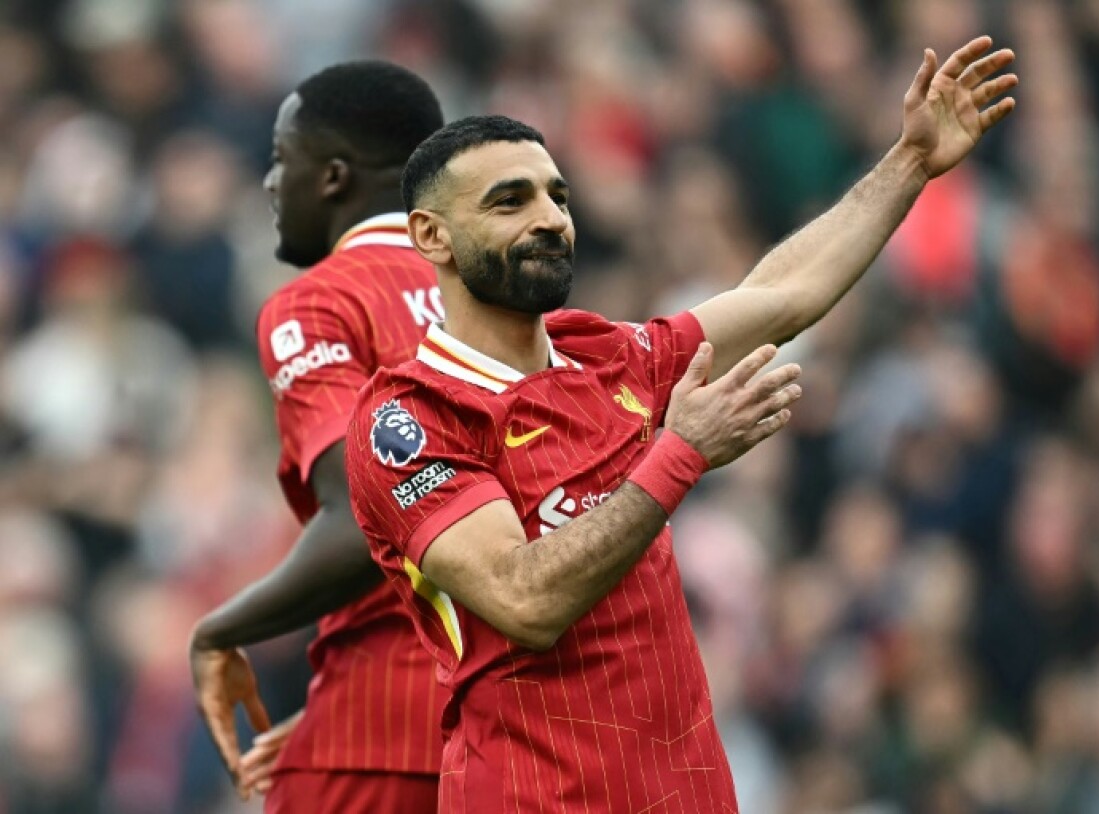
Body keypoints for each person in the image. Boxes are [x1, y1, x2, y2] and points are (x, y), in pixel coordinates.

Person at [346, 36, 1017, 813]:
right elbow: (523, 599)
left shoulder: (606, 357)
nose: (550, 219)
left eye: (557, 196)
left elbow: (783, 295)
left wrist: (909, 162)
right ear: (431, 236)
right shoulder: (411, 418)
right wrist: (680, 454)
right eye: (509, 201)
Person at [188, 61, 447, 812]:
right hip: (518, 726)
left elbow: (370, 520)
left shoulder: (318, 304)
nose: (270, 183)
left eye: (280, 158)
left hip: (383, 729)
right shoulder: (506, 303)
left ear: (333, 176)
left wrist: (217, 632)